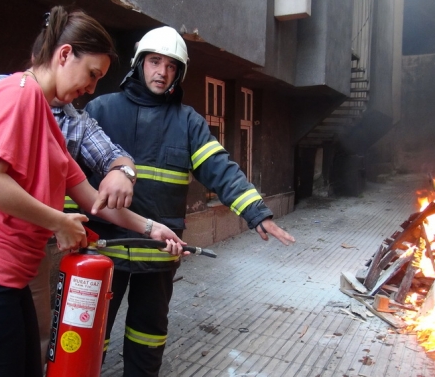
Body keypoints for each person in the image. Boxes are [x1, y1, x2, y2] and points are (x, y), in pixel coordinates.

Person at [0, 8, 182, 377]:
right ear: (63, 55)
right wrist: (59, 221)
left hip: (8, 278)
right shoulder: (18, 93)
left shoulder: (53, 123)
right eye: (91, 74)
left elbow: (94, 201)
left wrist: (152, 228)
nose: (92, 88)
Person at [84, 26, 296, 376]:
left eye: (171, 66)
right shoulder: (101, 110)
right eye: (154, 62)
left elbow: (220, 169)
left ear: (178, 73)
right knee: (91, 337)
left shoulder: (188, 122)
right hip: (103, 250)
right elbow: (71, 176)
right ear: (139, 63)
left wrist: (258, 213)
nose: (162, 72)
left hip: (159, 253)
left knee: (147, 338)